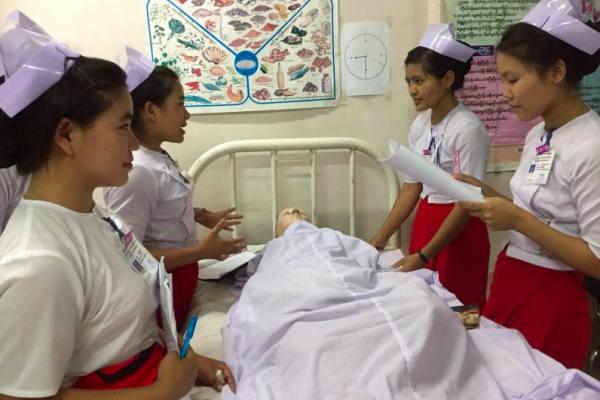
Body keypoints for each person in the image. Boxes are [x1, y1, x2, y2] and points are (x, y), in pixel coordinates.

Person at [0, 11, 234, 397]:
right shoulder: (40, 263)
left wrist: (184, 362)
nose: (134, 143)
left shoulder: (97, 217)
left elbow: (119, 328)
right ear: (66, 135)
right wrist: (160, 392)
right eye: (123, 126)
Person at [456, 0, 600, 369]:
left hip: (552, 294)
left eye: (513, 79)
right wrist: (480, 191)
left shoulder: (591, 146)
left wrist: (517, 221)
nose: (505, 92)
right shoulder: (539, 132)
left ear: (556, 72)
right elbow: (534, 209)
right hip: (512, 276)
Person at [104, 47, 246, 331]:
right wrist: (200, 251)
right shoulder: (137, 172)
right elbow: (128, 255)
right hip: (155, 290)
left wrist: (197, 214)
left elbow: (157, 205)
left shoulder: (157, 158)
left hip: (177, 277)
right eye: (180, 104)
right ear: (151, 111)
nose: (187, 114)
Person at [371, 23, 491, 309]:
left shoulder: (467, 128)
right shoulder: (420, 124)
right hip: (427, 221)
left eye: (419, 81)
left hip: (459, 226)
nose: (412, 90)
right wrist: (380, 237)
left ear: (448, 78)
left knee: (459, 311)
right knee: (426, 306)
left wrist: (425, 255)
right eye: (408, 82)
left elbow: (467, 200)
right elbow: (412, 186)